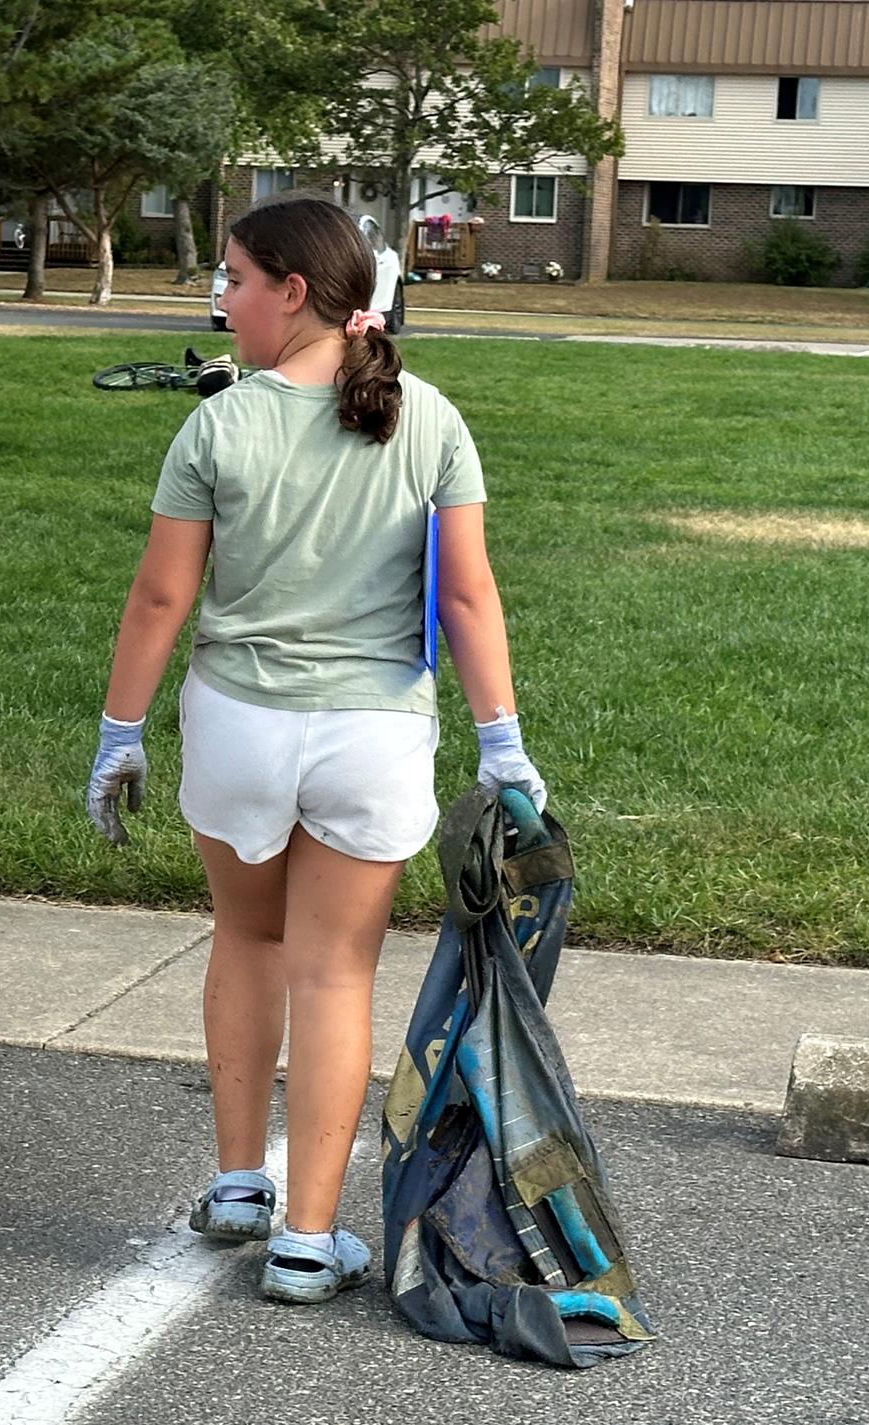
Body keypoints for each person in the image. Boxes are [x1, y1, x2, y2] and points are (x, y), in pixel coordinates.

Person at [85, 196, 547, 1306]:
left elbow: (160, 596)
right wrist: (503, 744)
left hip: (237, 726)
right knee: (334, 971)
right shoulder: (428, 418)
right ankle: (305, 1239)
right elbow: (471, 599)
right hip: (372, 736)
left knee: (243, 941)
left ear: (294, 292)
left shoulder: (217, 426)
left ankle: (238, 1183)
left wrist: (118, 731)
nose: (220, 298)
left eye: (235, 278)